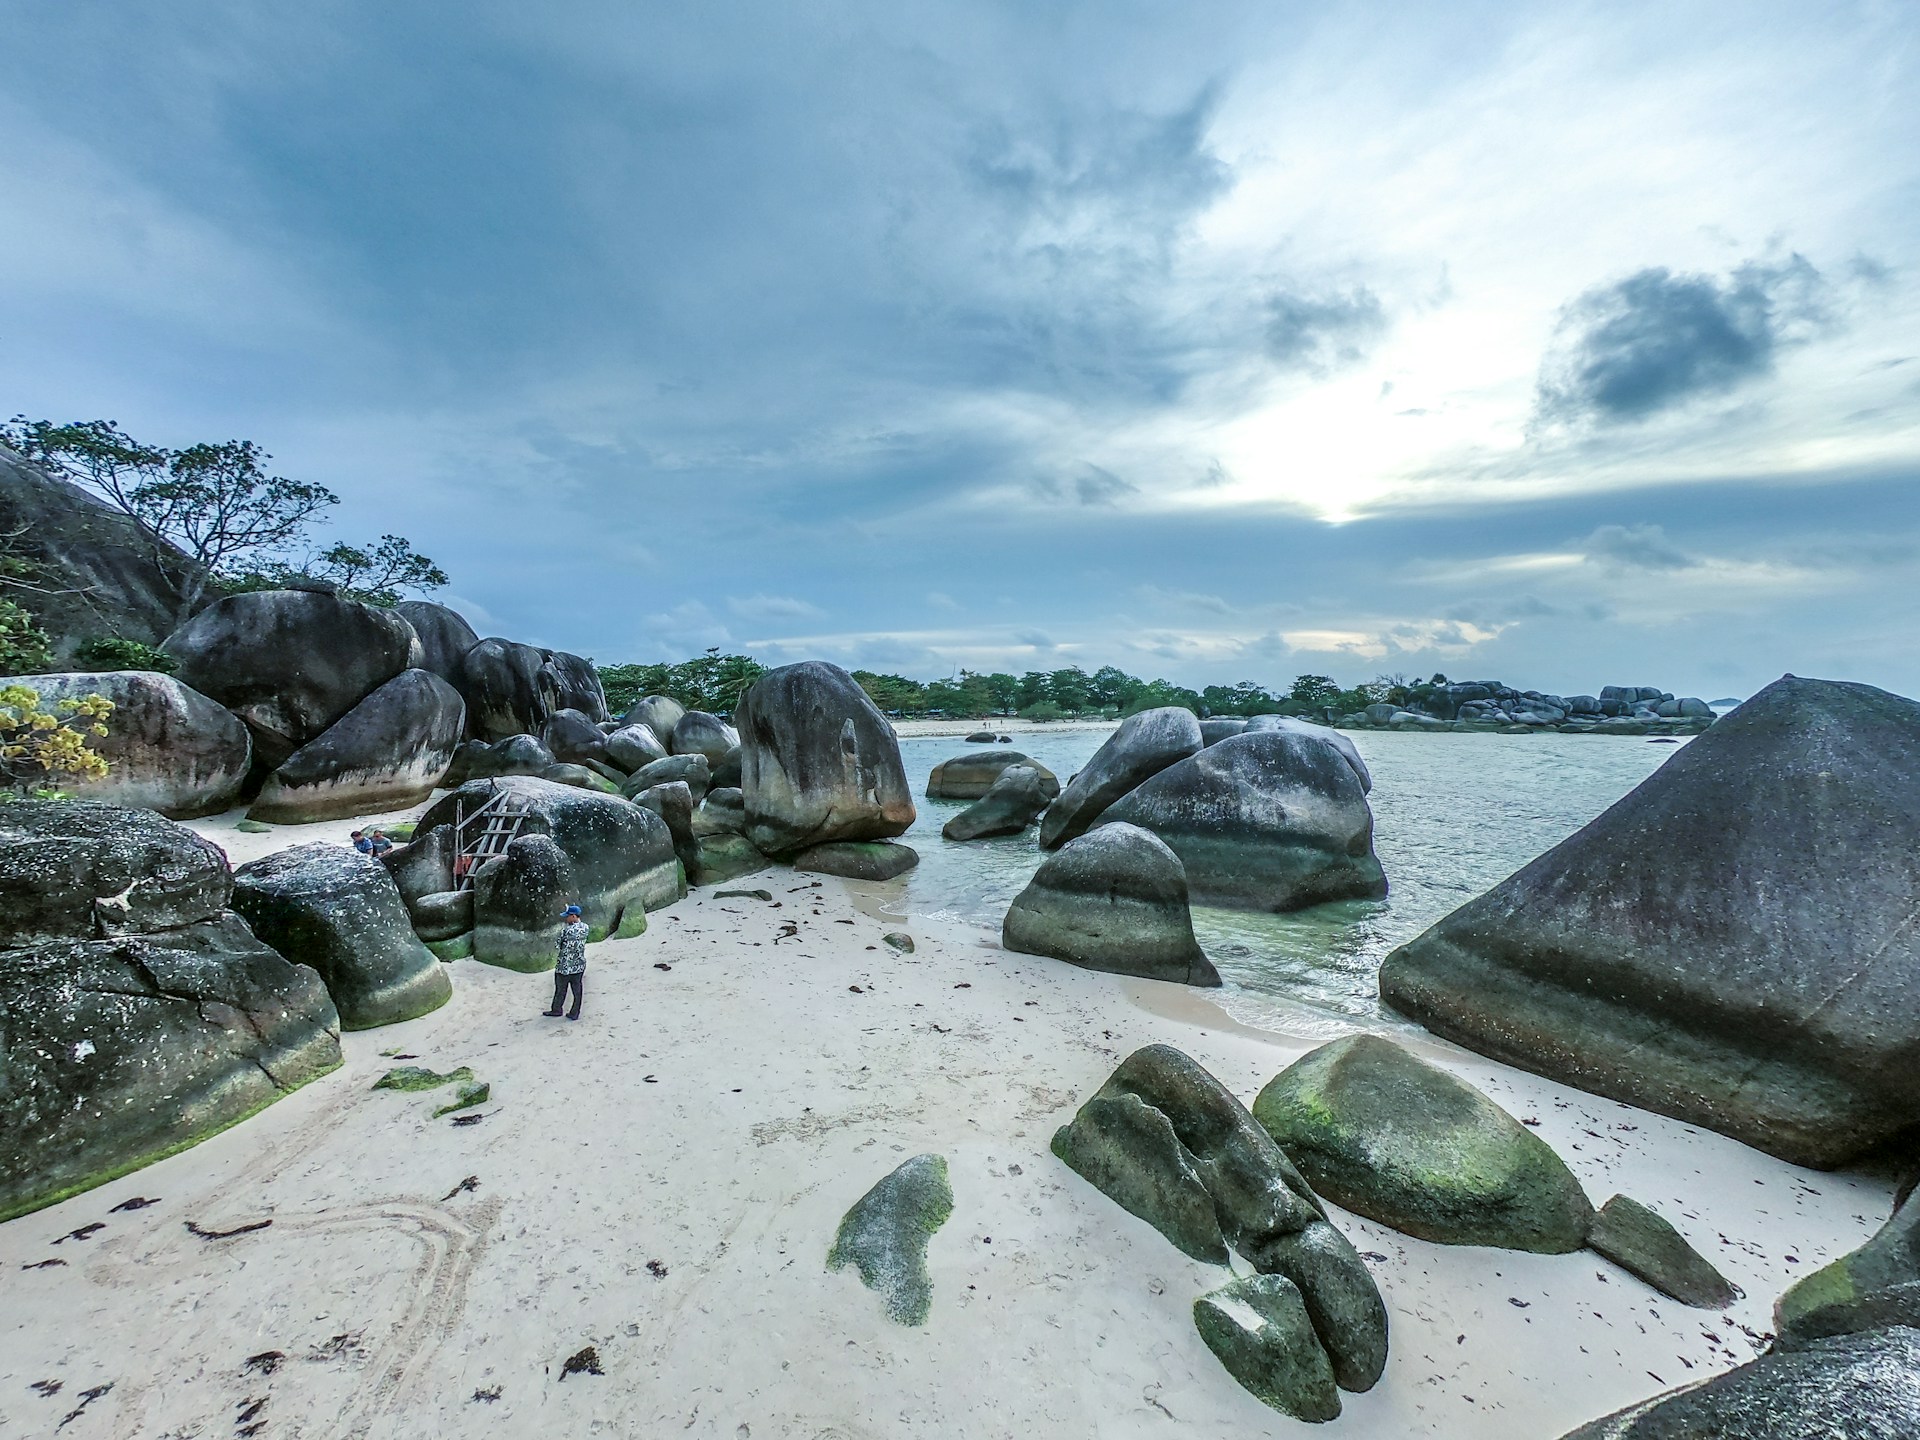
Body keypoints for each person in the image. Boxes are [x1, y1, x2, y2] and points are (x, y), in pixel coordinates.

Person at [544, 904, 590, 1021]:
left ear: (573, 916)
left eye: (568, 916)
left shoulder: (566, 930)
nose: (566, 919)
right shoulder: (586, 927)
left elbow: (557, 945)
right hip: (579, 964)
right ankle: (575, 1013)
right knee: (577, 990)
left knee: (560, 990)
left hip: (564, 966)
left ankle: (557, 1010)